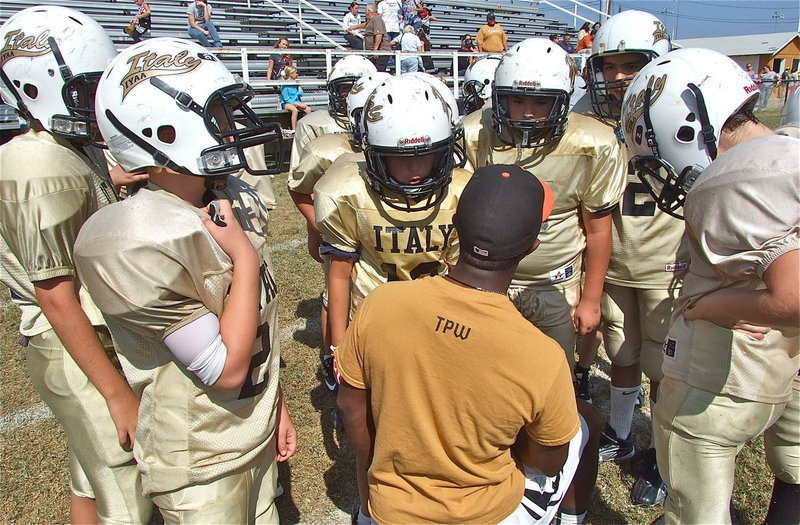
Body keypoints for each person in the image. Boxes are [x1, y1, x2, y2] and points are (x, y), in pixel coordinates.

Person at [75, 37, 296, 522]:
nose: (231, 127)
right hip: (201, 458)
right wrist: (243, 257)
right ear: (163, 129)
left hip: (251, 431)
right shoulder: (134, 238)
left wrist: (274, 405)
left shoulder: (229, 198)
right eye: (217, 114)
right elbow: (224, 369)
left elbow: (259, 320)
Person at [337, 164, 599, 524]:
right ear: (531, 247)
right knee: (588, 419)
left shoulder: (380, 303)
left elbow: (352, 410)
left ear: (456, 226)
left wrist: (375, 498)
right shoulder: (542, 354)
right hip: (489, 513)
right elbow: (548, 461)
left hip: (390, 508)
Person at [621, 46, 799, 525]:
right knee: (794, 468)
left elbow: (791, 298)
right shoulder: (788, 145)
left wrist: (713, 305)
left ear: (688, 125)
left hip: (727, 376)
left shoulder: (734, 178)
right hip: (784, 363)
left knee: (694, 505)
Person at [0, 7, 151, 524]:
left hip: (84, 335)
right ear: (34, 86)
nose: (96, 103)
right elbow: (55, 294)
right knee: (126, 491)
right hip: (75, 341)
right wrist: (116, 391)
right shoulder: (37, 164)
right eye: (85, 89)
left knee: (91, 479)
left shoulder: (60, 147)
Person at [463, 38, 626, 372]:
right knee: (485, 372)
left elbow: (597, 229)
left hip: (555, 282)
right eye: (517, 99)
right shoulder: (475, 132)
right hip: (486, 279)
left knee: (554, 373)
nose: (527, 112)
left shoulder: (592, 141)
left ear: (562, 101)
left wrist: (591, 298)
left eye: (540, 101)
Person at [578, 10, 683, 507]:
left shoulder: (680, 110)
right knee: (621, 353)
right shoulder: (587, 116)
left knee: (666, 369)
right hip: (616, 260)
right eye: (609, 65)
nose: (618, 76)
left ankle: (665, 456)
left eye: (631, 64)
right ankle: (620, 433)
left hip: (669, 263)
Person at [314, 75, 472, 373]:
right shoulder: (346, 191)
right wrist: (338, 347)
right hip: (371, 315)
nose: (414, 169)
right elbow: (340, 274)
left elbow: (459, 273)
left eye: (426, 156)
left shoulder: (461, 191)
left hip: (435, 317)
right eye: (399, 159)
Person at [288, 60, 383, 391]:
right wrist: (319, 229)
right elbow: (300, 187)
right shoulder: (327, 142)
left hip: (380, 229)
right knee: (336, 294)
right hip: (341, 228)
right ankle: (333, 358)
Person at [281, 66, 313, 131]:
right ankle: (294, 129)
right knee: (294, 110)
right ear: (291, 74)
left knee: (308, 109)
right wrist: (296, 104)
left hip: (296, 101)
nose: (297, 74)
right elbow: (286, 99)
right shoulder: (284, 85)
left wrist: (298, 85)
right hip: (287, 103)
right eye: (295, 73)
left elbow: (301, 94)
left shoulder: (295, 83)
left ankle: (306, 128)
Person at [364, 3, 391, 72]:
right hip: (374, 53)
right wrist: (353, 27)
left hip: (380, 53)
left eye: (365, 11)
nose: (365, 13)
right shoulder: (372, 20)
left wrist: (375, 50)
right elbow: (365, 25)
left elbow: (379, 35)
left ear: (368, 11)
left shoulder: (376, 19)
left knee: (378, 73)